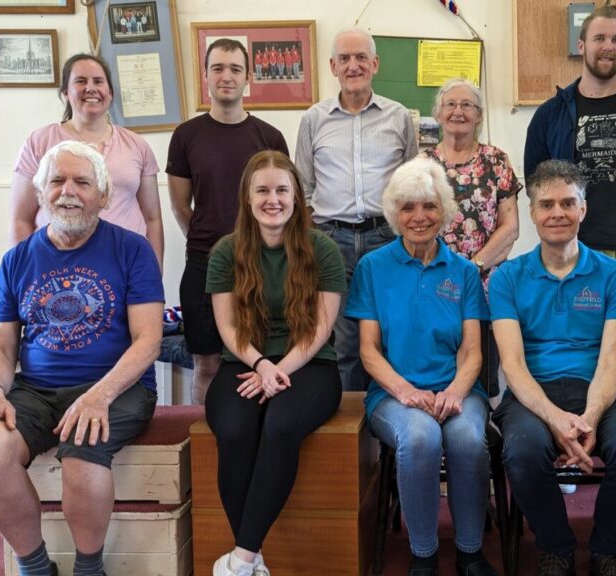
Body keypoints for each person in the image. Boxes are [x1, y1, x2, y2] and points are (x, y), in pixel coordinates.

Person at [0, 140, 164, 576]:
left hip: (117, 387)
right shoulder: (16, 260)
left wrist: (99, 395)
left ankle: (90, 569)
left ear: (104, 196)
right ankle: (35, 567)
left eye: (82, 182)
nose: (67, 191)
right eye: (57, 180)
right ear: (40, 193)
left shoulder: (133, 249)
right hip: (37, 389)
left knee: (83, 445)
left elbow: (148, 340)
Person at [490, 160, 616, 576]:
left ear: (584, 208)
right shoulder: (508, 277)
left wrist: (589, 417)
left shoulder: (614, 275)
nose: (557, 213)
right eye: (546, 204)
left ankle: (608, 547)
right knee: (523, 452)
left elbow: (611, 359)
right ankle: (556, 547)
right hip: (532, 393)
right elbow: (511, 363)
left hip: (596, 389)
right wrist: (555, 418)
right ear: (531, 212)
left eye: (568, 202)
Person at [345, 157, 496, 576]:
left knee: (467, 439)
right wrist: (406, 392)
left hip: (459, 389)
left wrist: (455, 392)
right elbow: (369, 351)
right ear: (394, 213)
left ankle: (470, 552)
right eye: (408, 207)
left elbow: (472, 352)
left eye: (429, 206)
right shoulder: (372, 268)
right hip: (393, 395)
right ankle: (424, 554)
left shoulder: (464, 271)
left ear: (444, 211)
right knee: (420, 437)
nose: (419, 217)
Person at [204, 151, 344, 576]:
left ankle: (241, 560)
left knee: (281, 425)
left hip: (311, 364)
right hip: (245, 361)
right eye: (262, 190)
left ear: (297, 197)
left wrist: (280, 369)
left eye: (282, 190)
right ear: (247, 199)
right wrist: (262, 365)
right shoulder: (226, 252)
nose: (273, 199)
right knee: (233, 429)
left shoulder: (323, 249)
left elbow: (319, 329)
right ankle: (253, 559)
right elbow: (228, 330)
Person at [296, 27, 418, 391]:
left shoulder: (398, 118)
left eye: (361, 57)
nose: (353, 66)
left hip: (387, 238)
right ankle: (355, 438)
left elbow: (411, 186)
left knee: (394, 334)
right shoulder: (313, 120)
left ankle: (394, 431)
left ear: (375, 64)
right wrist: (311, 242)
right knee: (346, 343)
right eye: (345, 59)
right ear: (333, 66)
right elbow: (303, 189)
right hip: (330, 240)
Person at [167, 38, 288, 404]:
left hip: (262, 264)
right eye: (217, 68)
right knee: (206, 365)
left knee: (261, 361)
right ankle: (206, 450)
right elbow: (179, 207)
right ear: (205, 76)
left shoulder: (270, 137)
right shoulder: (186, 136)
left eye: (235, 69)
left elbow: (283, 203)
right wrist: (218, 250)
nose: (226, 76)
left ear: (247, 77)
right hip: (204, 263)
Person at [524, 3, 616, 259]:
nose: (608, 46)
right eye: (599, 38)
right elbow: (535, 183)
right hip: (573, 249)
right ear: (582, 45)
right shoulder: (550, 114)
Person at [9, 53, 164, 269]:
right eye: (81, 81)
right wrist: (24, 273)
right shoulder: (39, 142)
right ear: (65, 93)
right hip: (54, 264)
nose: (90, 88)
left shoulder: (137, 145)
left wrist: (153, 272)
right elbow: (21, 220)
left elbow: (153, 219)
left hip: (124, 265)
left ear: (110, 93)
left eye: (98, 81)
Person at [423, 77, 521, 398]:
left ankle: (481, 435)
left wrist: (473, 266)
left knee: (483, 375)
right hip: (435, 281)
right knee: (437, 365)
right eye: (450, 104)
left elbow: (510, 228)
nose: (458, 111)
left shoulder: (496, 161)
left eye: (467, 105)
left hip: (486, 282)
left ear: (479, 115)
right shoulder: (422, 165)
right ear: (438, 114)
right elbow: (414, 227)